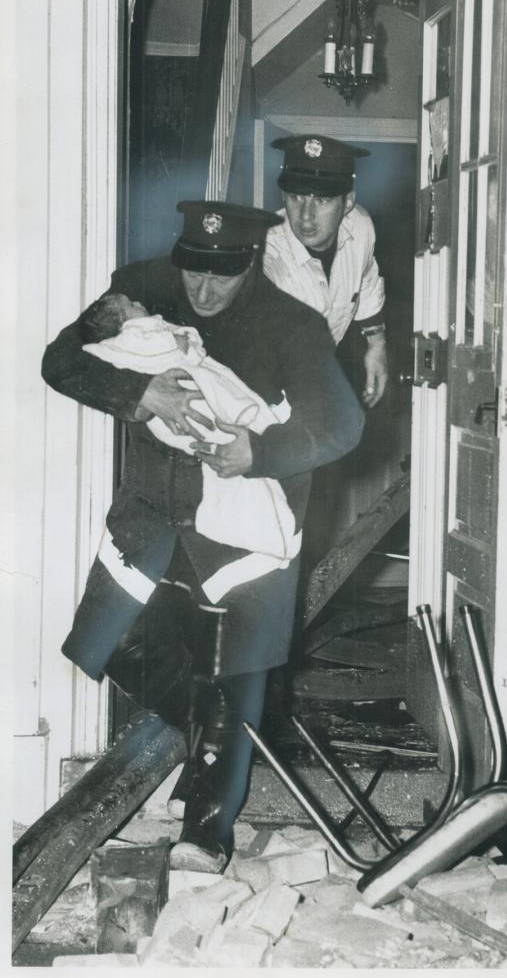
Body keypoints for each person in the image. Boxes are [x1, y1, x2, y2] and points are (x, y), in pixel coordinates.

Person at [42, 200, 364, 873]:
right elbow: (60, 361)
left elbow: (341, 426)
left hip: (249, 524)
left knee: (235, 674)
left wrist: (262, 452)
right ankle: (222, 736)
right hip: (153, 515)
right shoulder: (142, 288)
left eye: (221, 277)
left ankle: (206, 832)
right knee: (115, 645)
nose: (203, 290)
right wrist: (138, 393)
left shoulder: (291, 325)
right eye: (193, 271)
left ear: (248, 263)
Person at [79, 293, 300, 590]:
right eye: (130, 304)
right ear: (120, 321)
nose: (137, 302)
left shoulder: (149, 326)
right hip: (185, 398)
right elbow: (153, 351)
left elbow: (188, 342)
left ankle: (267, 530)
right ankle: (264, 535)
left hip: (198, 383)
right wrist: (177, 344)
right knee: (229, 432)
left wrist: (182, 341)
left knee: (240, 432)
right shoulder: (132, 335)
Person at [263, 134, 388, 408]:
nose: (305, 215)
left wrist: (376, 345)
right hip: (266, 387)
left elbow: (366, 278)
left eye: (321, 201)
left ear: (347, 203)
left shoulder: (360, 227)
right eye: (295, 197)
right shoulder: (266, 256)